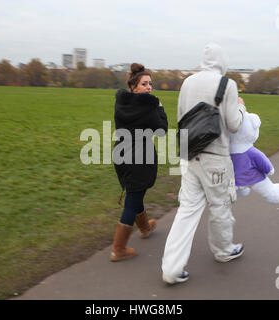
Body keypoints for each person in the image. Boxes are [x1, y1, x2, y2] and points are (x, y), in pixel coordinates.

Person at [162, 43, 246, 284]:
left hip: (190, 155)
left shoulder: (187, 82)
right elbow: (234, 124)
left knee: (186, 211)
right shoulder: (227, 85)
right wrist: (240, 107)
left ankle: (171, 269)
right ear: (223, 61)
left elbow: (180, 117)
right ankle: (223, 250)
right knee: (220, 206)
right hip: (216, 158)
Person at [110, 63, 168, 262]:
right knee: (133, 198)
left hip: (120, 152)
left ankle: (144, 227)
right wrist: (160, 109)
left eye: (150, 83)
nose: (149, 87)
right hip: (139, 155)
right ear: (134, 87)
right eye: (144, 84)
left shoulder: (122, 103)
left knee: (135, 191)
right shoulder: (148, 107)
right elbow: (161, 130)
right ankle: (119, 249)